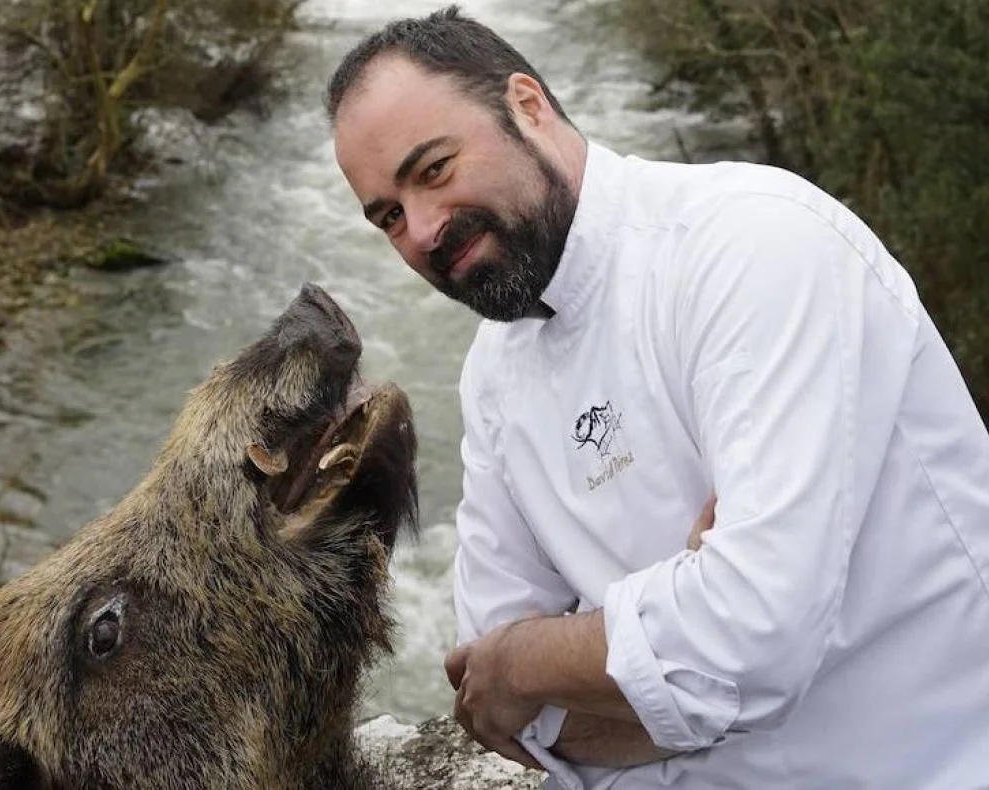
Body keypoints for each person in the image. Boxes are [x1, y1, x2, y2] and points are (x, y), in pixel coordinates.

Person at [326, 6, 989, 790]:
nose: (425, 231)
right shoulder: (495, 373)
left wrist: (537, 656)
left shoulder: (753, 245)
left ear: (527, 107)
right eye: (389, 217)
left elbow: (752, 634)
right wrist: (685, 635)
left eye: (433, 169)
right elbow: (492, 698)